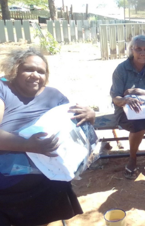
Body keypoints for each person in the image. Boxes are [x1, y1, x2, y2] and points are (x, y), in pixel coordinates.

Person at [0, 48, 95, 226]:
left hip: (49, 175)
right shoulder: (3, 89)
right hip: (9, 180)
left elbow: (73, 126)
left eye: (41, 71)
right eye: (28, 69)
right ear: (15, 69)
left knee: (42, 218)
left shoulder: (54, 95)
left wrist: (90, 115)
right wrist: (28, 145)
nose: (35, 75)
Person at [110, 35, 145, 180]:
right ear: (131, 50)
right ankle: (133, 158)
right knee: (138, 126)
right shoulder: (121, 69)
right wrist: (126, 100)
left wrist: (140, 92)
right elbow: (115, 97)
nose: (142, 53)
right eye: (138, 49)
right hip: (126, 111)